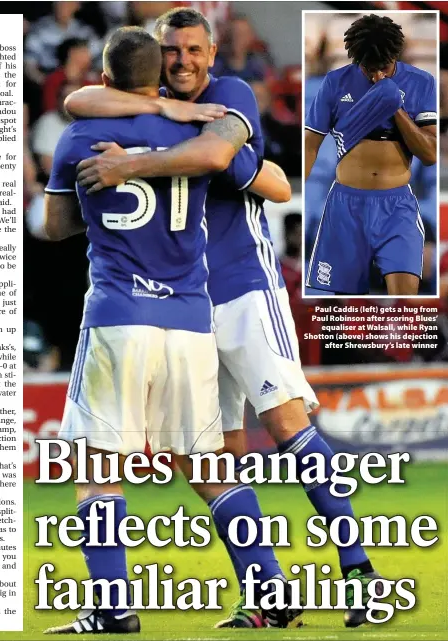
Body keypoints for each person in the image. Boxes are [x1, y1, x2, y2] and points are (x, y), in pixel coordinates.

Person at [65, 7, 380, 629]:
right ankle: (269, 597)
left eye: (192, 51)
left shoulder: (230, 92)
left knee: (288, 427)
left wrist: (129, 165)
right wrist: (172, 117)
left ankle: (361, 573)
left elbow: (218, 158)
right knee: (218, 458)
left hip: (241, 289)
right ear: (154, 61)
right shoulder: (147, 108)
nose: (183, 62)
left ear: (211, 54)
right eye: (170, 52)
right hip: (185, 310)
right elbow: (79, 98)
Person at [42, 26, 296, 635]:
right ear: (159, 76)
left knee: (96, 468)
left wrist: (102, 196)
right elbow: (258, 174)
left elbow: (53, 226)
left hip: (118, 317)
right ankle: (272, 590)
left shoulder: (80, 136)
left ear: (106, 80)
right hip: (188, 321)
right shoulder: (197, 129)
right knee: (211, 469)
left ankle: (113, 608)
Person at [305, 14, 437, 296]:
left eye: (384, 67)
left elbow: (430, 154)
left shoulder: (421, 82)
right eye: (368, 68)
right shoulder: (335, 82)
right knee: (343, 309)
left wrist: (393, 105)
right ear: (355, 58)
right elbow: (310, 144)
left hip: (396, 206)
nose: (376, 74)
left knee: (406, 301)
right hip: (346, 205)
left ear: (396, 55)